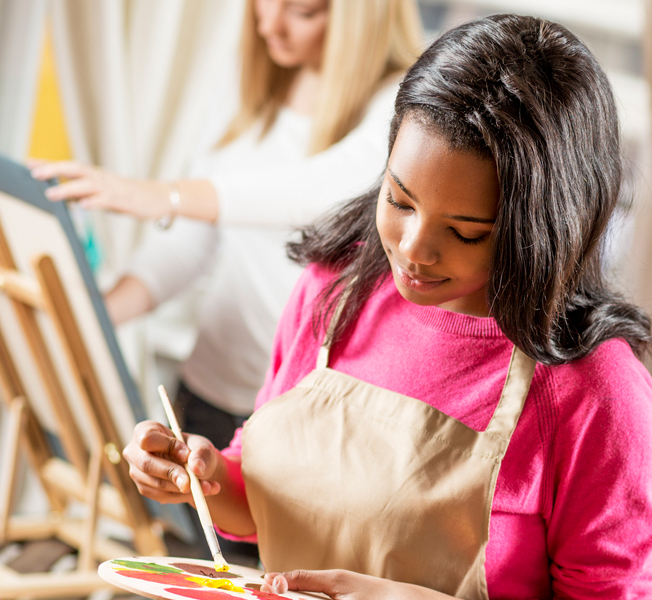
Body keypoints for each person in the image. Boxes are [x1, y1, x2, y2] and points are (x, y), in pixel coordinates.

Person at [122, 14, 652, 600]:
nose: (412, 248)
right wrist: (208, 482)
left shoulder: (592, 392)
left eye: (466, 230)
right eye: (400, 198)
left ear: (540, 225)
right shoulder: (335, 290)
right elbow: (271, 503)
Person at [30, 0, 422, 451]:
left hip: (299, 412)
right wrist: (97, 314)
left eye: (302, 12)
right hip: (205, 390)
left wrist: (167, 195)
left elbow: (325, 192)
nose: (269, 24)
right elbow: (193, 241)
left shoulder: (400, 103)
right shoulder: (249, 86)